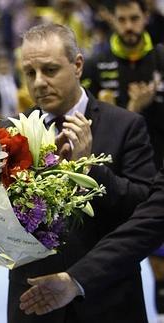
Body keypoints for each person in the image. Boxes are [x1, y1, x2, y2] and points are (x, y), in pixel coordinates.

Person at [7, 23, 157, 323]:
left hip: (108, 300)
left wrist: (91, 167)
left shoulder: (125, 125)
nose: (38, 83)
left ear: (77, 66)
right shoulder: (11, 135)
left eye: (49, 70)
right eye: (30, 73)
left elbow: (146, 210)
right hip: (33, 303)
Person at [81, 1, 164, 313]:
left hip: (159, 170)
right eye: (122, 19)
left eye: (134, 18)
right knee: (121, 256)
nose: (129, 25)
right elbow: (92, 131)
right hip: (117, 180)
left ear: (144, 19)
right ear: (112, 21)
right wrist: (131, 110)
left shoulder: (160, 58)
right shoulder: (95, 65)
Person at [18, 166, 164, 318]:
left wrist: (90, 170)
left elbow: (150, 218)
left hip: (112, 299)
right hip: (36, 292)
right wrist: (75, 280)